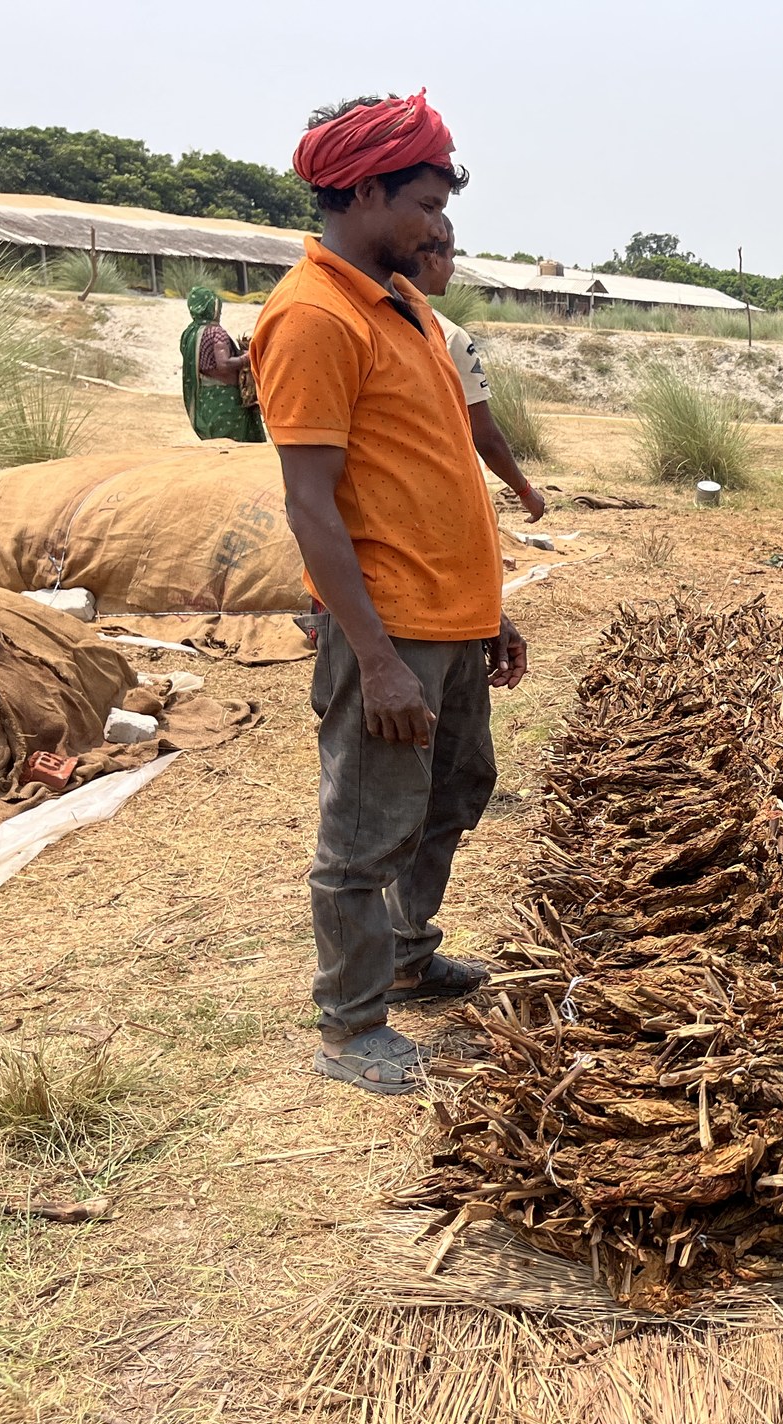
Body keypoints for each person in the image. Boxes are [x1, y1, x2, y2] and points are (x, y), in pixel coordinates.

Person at [250, 91, 528, 1095]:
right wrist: (373, 660)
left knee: (453, 793)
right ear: (362, 190)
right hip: (390, 630)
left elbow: (436, 471)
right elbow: (311, 506)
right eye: (421, 200)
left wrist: (489, 604)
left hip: (450, 619)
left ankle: (407, 956)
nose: (434, 224)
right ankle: (351, 1025)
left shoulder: (407, 306)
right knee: (364, 831)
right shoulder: (314, 318)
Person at [412, 220, 546, 522]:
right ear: (434, 258)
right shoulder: (448, 336)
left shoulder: (372, 320)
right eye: (453, 257)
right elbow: (484, 435)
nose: (453, 267)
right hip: (437, 499)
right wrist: (525, 492)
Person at [180, 286, 265, 442]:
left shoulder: (190, 334)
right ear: (209, 307)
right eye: (217, 308)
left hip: (205, 399)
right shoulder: (216, 333)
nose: (219, 313)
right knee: (234, 445)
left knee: (214, 443)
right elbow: (224, 364)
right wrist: (248, 357)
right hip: (226, 400)